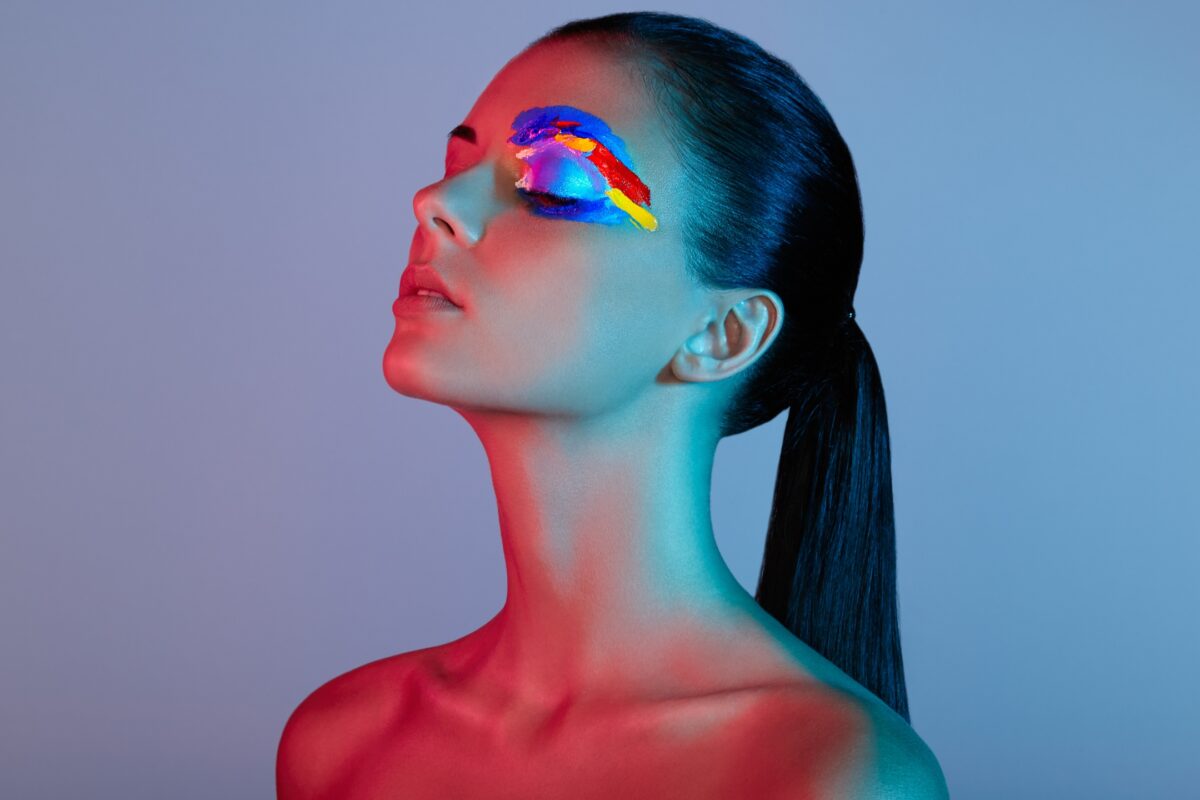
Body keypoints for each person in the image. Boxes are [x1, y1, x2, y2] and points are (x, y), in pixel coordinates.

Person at [277, 11, 949, 799]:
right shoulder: (342, 744)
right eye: (458, 162)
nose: (433, 199)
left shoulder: (827, 779)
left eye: (555, 178)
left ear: (723, 333)